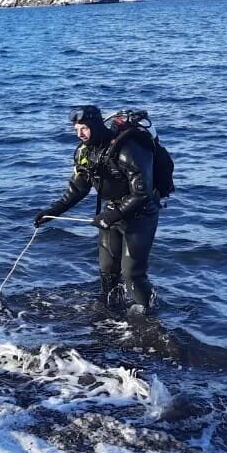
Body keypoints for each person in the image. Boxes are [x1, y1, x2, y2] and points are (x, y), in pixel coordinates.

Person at [33, 105, 161, 311]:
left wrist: (112, 216)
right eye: (76, 129)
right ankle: (112, 313)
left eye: (83, 128)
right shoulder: (87, 152)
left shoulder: (128, 150)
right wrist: (52, 212)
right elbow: (77, 189)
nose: (79, 134)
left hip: (140, 215)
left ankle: (146, 319)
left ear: (95, 124)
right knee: (107, 270)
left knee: (132, 274)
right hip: (112, 212)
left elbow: (142, 193)